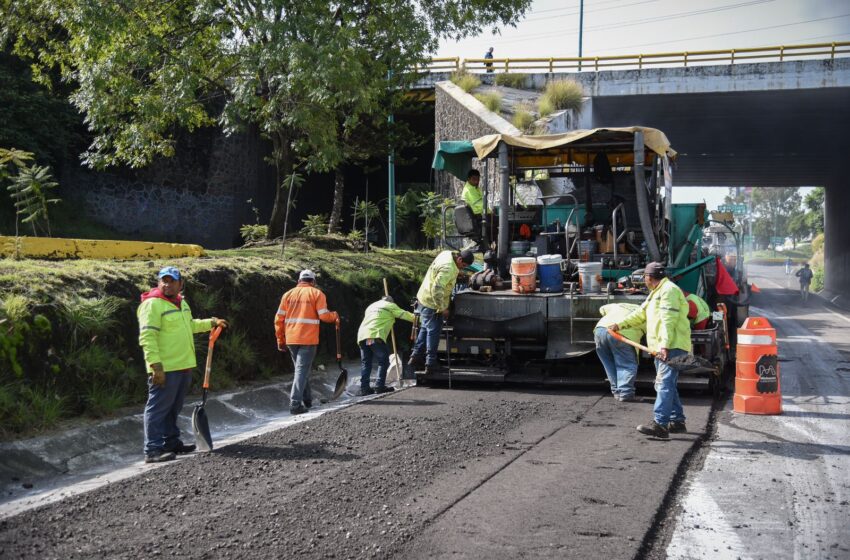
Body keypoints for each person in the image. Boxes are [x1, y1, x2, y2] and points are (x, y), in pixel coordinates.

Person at [137, 266, 229, 463]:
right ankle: (152, 450)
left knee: (173, 408)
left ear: (180, 284)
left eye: (171, 281)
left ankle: (171, 442)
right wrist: (156, 366)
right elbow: (147, 337)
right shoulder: (152, 305)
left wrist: (211, 322)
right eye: (163, 280)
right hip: (165, 368)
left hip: (183, 366)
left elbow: (190, 325)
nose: (166, 284)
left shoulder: (181, 303)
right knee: (157, 409)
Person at [610, 262, 692, 440]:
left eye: (644, 276)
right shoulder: (656, 292)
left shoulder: (668, 291)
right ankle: (677, 421)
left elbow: (667, 321)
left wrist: (665, 346)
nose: (643, 280)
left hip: (672, 346)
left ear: (649, 277)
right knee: (666, 384)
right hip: (662, 347)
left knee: (664, 384)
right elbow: (641, 314)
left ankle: (660, 425)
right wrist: (619, 325)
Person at [274, 269, 339, 414]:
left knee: (301, 370)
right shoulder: (317, 293)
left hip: (291, 338)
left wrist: (280, 339)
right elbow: (324, 316)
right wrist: (334, 316)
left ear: (299, 281)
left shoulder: (288, 295)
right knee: (301, 371)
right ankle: (295, 404)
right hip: (308, 339)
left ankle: (307, 400)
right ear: (313, 281)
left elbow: (278, 319)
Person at [409, 249, 475, 374]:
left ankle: (416, 356)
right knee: (433, 331)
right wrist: (442, 308)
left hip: (423, 297)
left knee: (425, 328)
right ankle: (430, 363)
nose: (462, 268)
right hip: (432, 303)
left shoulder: (446, 254)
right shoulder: (448, 269)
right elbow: (437, 289)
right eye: (463, 266)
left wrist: (457, 274)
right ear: (460, 259)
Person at [357, 296, 415, 396]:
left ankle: (364, 389)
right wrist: (420, 318)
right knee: (383, 361)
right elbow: (404, 314)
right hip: (376, 335)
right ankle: (379, 386)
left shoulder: (371, 306)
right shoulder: (390, 305)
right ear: (391, 302)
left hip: (362, 336)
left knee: (366, 363)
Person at [594, 303, 644, 402]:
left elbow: (602, 309)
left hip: (600, 331)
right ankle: (626, 393)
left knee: (609, 364)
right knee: (626, 364)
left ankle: (617, 392)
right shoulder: (646, 312)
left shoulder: (618, 305)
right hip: (622, 334)